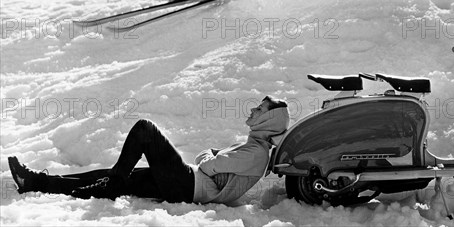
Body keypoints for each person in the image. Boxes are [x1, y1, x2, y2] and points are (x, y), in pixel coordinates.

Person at [8, 96, 289, 205]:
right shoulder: (252, 147)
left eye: (260, 109)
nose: (253, 109)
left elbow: (205, 164)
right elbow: (208, 157)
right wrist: (212, 156)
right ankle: (36, 181)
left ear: (269, 119)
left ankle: (113, 182)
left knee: (145, 129)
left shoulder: (256, 152)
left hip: (188, 184)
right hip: (186, 182)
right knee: (111, 176)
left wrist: (212, 156)